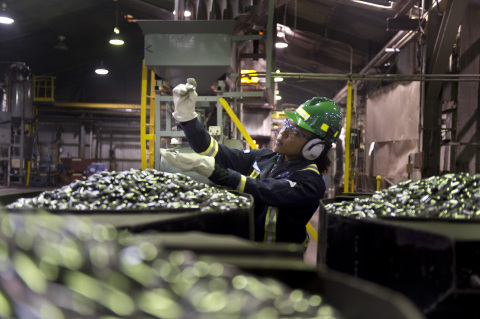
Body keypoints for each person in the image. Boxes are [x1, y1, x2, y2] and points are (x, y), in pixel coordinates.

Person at [161, 78, 342, 249]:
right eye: (287, 124)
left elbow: (265, 189)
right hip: (247, 253)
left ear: (315, 147)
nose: (283, 132)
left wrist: (216, 172)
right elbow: (215, 151)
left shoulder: (310, 182)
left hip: (281, 263)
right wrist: (187, 118)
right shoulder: (264, 158)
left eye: (295, 131)